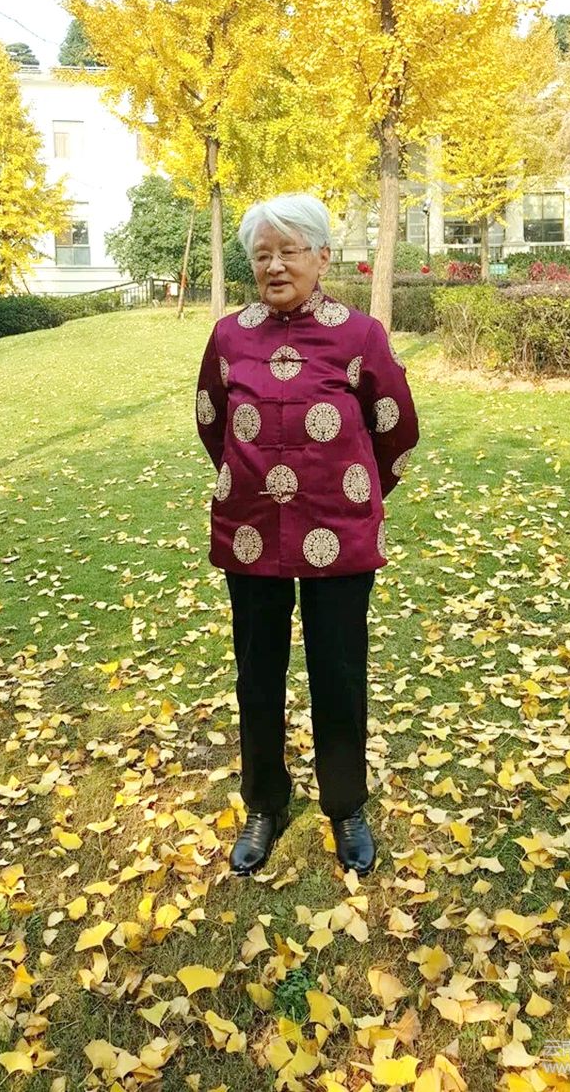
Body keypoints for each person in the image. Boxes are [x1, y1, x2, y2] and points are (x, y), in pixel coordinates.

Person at [195, 193, 419, 876]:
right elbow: (212, 421)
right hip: (252, 530)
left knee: (339, 672)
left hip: (339, 533)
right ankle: (264, 803)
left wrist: (354, 491)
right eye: (262, 254)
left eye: (289, 251)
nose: (275, 265)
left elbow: (395, 425)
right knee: (257, 675)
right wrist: (250, 477)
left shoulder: (360, 335)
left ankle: (346, 806)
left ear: (322, 256)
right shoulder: (229, 336)